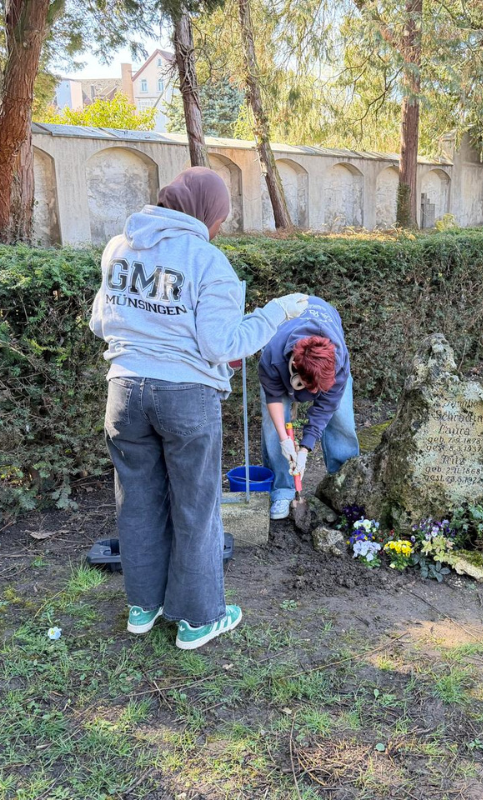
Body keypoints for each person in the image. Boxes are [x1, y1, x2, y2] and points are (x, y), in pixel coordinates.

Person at [89, 167, 307, 650]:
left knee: (138, 500)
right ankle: (199, 619)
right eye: (221, 219)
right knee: (196, 507)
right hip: (185, 396)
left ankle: (144, 607)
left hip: (123, 392)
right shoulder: (208, 262)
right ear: (205, 212)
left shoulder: (119, 247)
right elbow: (221, 344)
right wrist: (275, 313)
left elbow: (100, 323)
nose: (219, 228)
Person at [258, 297, 359, 519]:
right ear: (294, 365)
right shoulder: (273, 356)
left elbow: (325, 407)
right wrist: (286, 440)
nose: (311, 396)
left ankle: (342, 484)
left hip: (324, 365)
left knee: (342, 419)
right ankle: (282, 490)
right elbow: (274, 397)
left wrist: (304, 449)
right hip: (282, 367)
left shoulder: (337, 360)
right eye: (308, 388)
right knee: (273, 428)